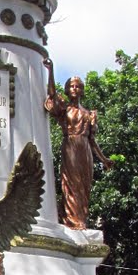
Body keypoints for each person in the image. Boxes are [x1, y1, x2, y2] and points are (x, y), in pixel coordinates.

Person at [44, 58, 114, 230]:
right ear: (67, 90)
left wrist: (104, 160)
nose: (74, 89)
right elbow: (52, 94)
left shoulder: (89, 114)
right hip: (71, 145)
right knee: (71, 183)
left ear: (82, 90)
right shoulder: (65, 108)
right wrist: (50, 71)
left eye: (78, 86)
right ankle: (72, 220)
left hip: (85, 149)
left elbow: (92, 140)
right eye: (71, 86)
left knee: (84, 185)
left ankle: (81, 218)